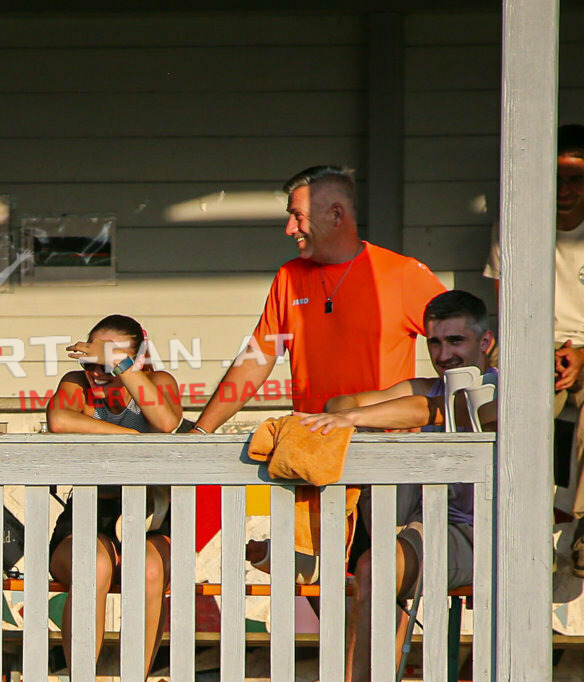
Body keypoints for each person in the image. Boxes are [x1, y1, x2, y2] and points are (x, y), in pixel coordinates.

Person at [191, 164, 446, 573]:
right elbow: (258, 358)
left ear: (336, 215)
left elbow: (460, 342)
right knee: (313, 577)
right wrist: (201, 431)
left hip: (385, 459)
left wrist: (456, 402)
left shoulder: (401, 274)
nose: (290, 229)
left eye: (298, 216)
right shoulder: (289, 277)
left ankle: (383, 642)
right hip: (312, 457)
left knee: (384, 578)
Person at [297, 290, 495, 682]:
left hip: (487, 536)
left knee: (372, 567)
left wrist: (359, 417)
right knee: (368, 566)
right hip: (420, 526)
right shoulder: (425, 386)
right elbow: (338, 404)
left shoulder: (501, 387)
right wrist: (355, 415)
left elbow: (442, 409)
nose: (443, 355)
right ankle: (308, 559)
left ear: (485, 342)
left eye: (456, 341)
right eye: (434, 343)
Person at [46, 314, 182, 676]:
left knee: (151, 570)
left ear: (136, 359)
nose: (98, 370)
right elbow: (59, 421)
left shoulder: (158, 382)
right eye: (92, 360)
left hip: (150, 517)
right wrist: (130, 440)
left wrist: (121, 368)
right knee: (93, 565)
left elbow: (168, 423)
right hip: (88, 516)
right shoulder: (77, 383)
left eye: (110, 361)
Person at [483, 122, 584, 575]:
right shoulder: (516, 222)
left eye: (575, 178)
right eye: (554, 177)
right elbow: (512, 308)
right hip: (530, 338)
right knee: (508, 391)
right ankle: (503, 516)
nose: (563, 190)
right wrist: (541, 358)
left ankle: (581, 525)